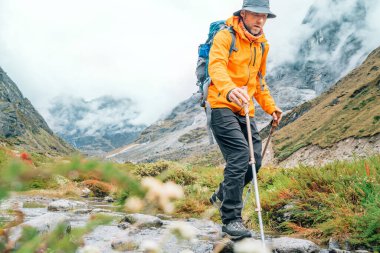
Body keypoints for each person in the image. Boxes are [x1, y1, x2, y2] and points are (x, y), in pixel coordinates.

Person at [207, 0, 283, 239]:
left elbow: (259, 82)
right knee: (240, 155)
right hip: (221, 104)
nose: (260, 21)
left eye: (264, 16)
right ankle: (231, 219)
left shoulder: (262, 45)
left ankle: (222, 193)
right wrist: (229, 89)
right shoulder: (224, 37)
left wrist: (271, 108)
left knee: (254, 162)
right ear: (243, 14)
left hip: (245, 109)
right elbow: (216, 67)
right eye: (255, 15)